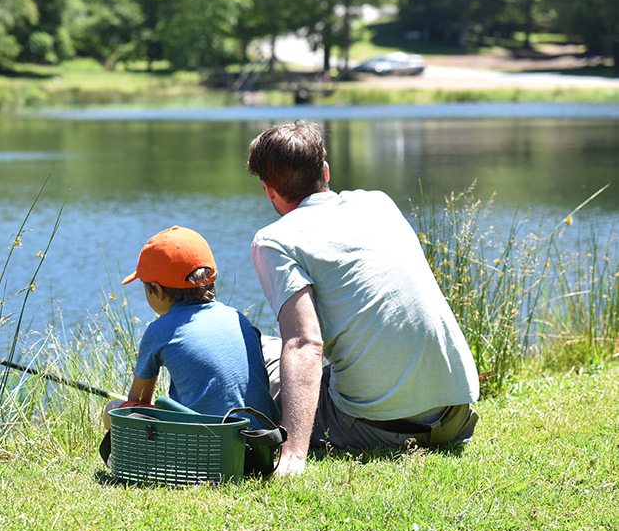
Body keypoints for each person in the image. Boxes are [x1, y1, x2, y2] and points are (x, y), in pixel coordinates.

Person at [246, 121, 479, 477]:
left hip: (380, 430)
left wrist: (293, 454)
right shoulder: (378, 203)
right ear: (325, 171)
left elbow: (305, 342)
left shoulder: (275, 241)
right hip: (454, 416)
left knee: (254, 356)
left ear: (268, 189)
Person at [106, 226, 279, 425]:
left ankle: (125, 458)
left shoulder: (158, 331)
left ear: (156, 290)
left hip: (205, 445)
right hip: (261, 441)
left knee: (113, 409)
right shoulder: (239, 319)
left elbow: (138, 402)